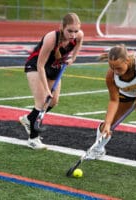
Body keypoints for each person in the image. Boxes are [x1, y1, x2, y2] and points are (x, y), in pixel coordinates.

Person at [86, 44, 136, 173]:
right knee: (108, 124)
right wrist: (107, 124)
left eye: (118, 67)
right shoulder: (111, 76)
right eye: (112, 67)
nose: (115, 71)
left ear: (127, 60)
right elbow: (113, 100)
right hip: (126, 93)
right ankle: (98, 149)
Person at [19, 13, 84, 150]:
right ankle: (33, 139)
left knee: (53, 101)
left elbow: (78, 45)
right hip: (36, 66)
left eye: (75, 31)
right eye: (70, 31)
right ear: (62, 27)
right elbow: (40, 65)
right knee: (43, 101)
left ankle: (29, 119)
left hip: (55, 66)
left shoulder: (78, 35)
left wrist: (73, 58)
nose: (73, 34)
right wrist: (47, 91)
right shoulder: (51, 38)